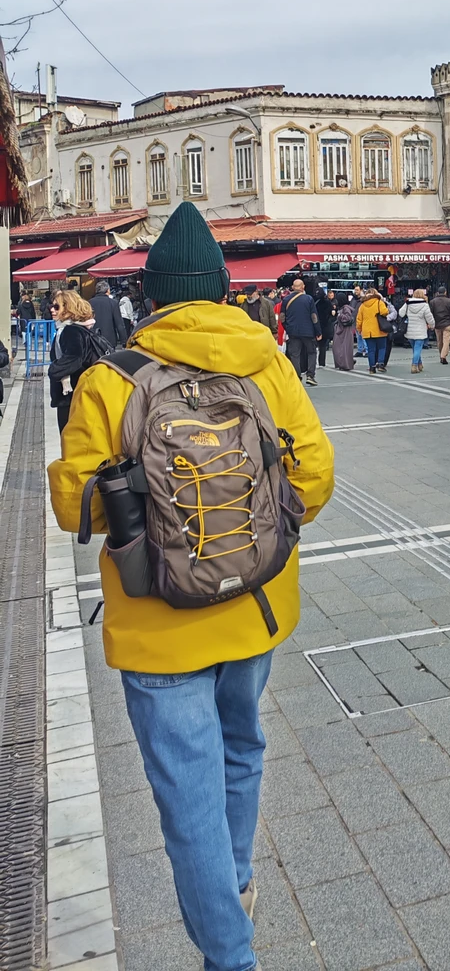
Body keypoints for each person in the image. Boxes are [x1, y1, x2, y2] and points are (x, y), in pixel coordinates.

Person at [47, 201, 334, 971]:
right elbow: (316, 475)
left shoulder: (112, 377)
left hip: (158, 620)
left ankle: (231, 957)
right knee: (242, 746)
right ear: (219, 287)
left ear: (152, 293)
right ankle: (235, 892)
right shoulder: (264, 362)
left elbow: (74, 501)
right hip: (257, 606)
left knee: (188, 798)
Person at [48, 289, 106, 433]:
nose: (52, 310)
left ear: (68, 309)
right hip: (77, 394)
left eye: (57, 307)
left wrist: (53, 370)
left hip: (73, 396)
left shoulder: (70, 331)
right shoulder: (77, 329)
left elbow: (74, 358)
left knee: (71, 441)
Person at [281, 277, 320, 387]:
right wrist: (318, 331)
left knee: (295, 355)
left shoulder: (286, 300)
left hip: (293, 331)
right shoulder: (308, 299)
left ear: (293, 287)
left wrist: (287, 328)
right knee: (311, 352)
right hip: (308, 331)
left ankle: (297, 376)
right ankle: (310, 375)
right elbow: (314, 316)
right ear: (303, 287)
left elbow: (282, 317)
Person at [357, 286, 391, 374]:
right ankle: (380, 364)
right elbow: (384, 312)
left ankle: (372, 368)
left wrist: (359, 329)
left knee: (371, 350)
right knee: (382, 347)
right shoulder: (379, 302)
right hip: (379, 329)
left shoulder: (362, 305)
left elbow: (359, 319)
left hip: (367, 330)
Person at [89, 280, 128, 349]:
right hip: (110, 339)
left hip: (93, 338)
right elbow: (119, 323)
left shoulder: (89, 303)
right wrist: (124, 341)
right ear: (108, 290)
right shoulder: (113, 303)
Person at [405, 287, 435, 373]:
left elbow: (400, 312)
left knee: (415, 349)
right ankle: (414, 365)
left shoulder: (408, 303)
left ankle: (420, 364)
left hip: (409, 330)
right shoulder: (425, 305)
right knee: (417, 348)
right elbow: (429, 318)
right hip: (420, 330)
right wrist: (432, 325)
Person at [430, 284, 450, 365]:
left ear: (438, 293)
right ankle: (443, 356)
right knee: (446, 341)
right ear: (445, 292)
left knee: (439, 341)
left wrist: (430, 323)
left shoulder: (432, 302)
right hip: (447, 323)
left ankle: (442, 355)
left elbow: (430, 313)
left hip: (437, 324)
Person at [333, 298, 357, 370]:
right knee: (341, 348)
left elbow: (348, 318)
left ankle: (345, 364)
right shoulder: (344, 308)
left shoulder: (345, 308)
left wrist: (340, 315)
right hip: (343, 329)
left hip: (345, 330)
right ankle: (344, 363)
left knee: (343, 348)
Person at [315, 285, 335, 368]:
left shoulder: (314, 302)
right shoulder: (327, 302)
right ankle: (322, 362)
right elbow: (332, 314)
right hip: (325, 326)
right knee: (323, 346)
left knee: (313, 346)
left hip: (316, 325)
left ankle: (314, 362)